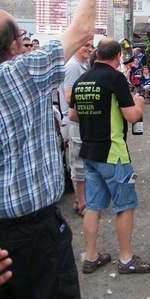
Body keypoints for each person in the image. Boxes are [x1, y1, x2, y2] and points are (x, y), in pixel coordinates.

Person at [0, 0, 108, 299]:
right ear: (13, 46)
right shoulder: (18, 75)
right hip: (32, 235)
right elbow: (82, 30)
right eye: (23, 36)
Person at [69, 38, 150, 276]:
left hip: (88, 150)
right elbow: (131, 116)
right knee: (125, 206)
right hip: (113, 152)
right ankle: (126, 259)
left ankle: (91, 256)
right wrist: (139, 104)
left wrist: (95, 116)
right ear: (118, 55)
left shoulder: (82, 78)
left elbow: (72, 114)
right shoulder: (115, 77)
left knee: (93, 206)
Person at [61, 38, 95, 217]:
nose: (90, 49)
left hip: (81, 120)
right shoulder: (73, 66)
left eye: (91, 45)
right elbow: (68, 97)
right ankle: (80, 202)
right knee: (78, 162)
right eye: (86, 45)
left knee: (83, 160)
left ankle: (81, 198)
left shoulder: (82, 65)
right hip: (75, 121)